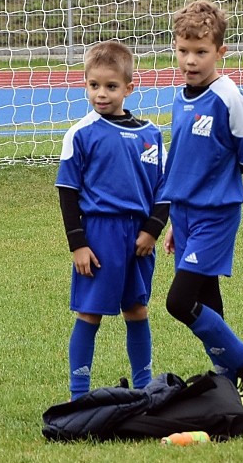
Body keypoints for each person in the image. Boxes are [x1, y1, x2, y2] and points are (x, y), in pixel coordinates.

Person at [160, 0, 243, 411]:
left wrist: (210, 191)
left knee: (179, 302)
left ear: (220, 52)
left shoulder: (228, 97)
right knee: (207, 299)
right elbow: (185, 160)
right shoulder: (179, 96)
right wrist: (176, 216)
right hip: (186, 214)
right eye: (183, 50)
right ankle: (226, 380)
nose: (190, 60)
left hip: (215, 214)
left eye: (201, 52)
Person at [55, 40, 168, 401]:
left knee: (137, 309)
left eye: (111, 86)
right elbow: (67, 192)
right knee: (90, 314)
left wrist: (152, 230)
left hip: (138, 237)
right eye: (93, 86)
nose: (101, 94)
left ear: (129, 88)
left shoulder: (151, 135)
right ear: (85, 84)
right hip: (99, 235)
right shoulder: (81, 134)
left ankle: (144, 389)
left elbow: (165, 190)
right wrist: (79, 244)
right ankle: (79, 397)